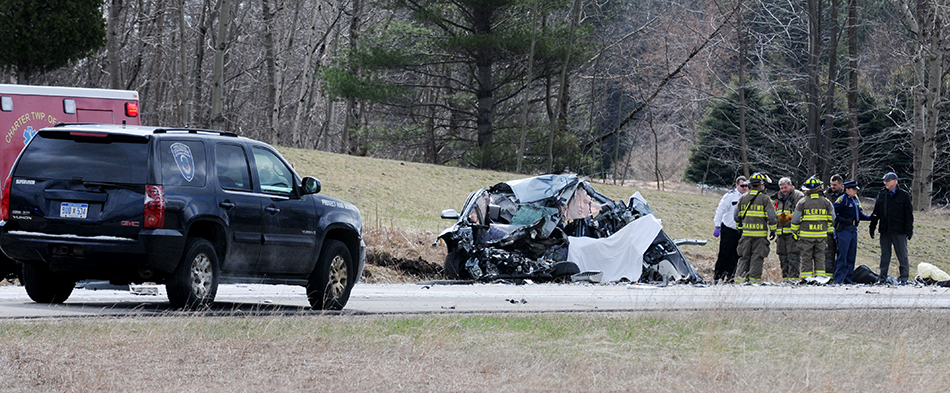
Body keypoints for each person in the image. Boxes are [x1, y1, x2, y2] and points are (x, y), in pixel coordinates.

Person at [869, 172, 914, 285]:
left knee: (902, 255)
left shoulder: (904, 195)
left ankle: (903, 278)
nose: (885, 183)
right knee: (885, 255)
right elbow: (876, 212)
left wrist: (909, 230)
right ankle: (882, 277)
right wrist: (872, 226)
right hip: (885, 230)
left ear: (895, 181)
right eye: (885, 181)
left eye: (888, 181)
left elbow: (909, 214)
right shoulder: (882, 194)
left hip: (899, 230)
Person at [734, 173, 778, 284]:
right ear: (761, 185)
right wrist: (773, 230)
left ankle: (740, 281)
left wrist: (741, 228)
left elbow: (736, 216)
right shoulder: (765, 199)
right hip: (760, 236)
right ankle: (754, 283)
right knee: (757, 258)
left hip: (746, 235)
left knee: (744, 258)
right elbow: (772, 217)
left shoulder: (743, 198)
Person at [790, 176, 835, 282]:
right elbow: (833, 218)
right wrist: (827, 230)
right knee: (820, 257)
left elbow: (795, 220)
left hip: (806, 237)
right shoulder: (826, 202)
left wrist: (795, 233)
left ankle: (806, 278)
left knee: (806, 258)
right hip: (821, 236)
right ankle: (820, 279)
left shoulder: (802, 202)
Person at [833, 180, 871, 284]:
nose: (855, 191)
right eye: (853, 189)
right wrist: (842, 220)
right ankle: (839, 279)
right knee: (842, 255)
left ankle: (848, 279)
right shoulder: (842, 200)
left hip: (853, 229)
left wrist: (871, 218)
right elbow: (834, 213)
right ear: (847, 189)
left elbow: (860, 214)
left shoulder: (855, 200)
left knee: (851, 255)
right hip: (844, 229)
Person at [713, 176, 748, 283]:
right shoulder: (730, 196)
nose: (744, 188)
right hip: (729, 229)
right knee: (725, 254)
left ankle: (730, 277)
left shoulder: (748, 197)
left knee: (736, 256)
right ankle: (718, 276)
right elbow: (720, 210)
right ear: (737, 185)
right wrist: (717, 225)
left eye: (746, 186)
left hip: (741, 230)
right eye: (742, 186)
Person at [772, 177, 805, 282]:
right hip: (780, 233)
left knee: (793, 256)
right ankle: (785, 279)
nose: (783, 190)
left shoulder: (799, 196)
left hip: (793, 233)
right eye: (781, 188)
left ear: (791, 186)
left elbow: (802, 213)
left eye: (785, 188)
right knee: (782, 257)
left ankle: (793, 279)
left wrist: (789, 217)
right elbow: (773, 212)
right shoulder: (777, 197)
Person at [823, 174, 844, 279]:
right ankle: (829, 277)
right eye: (831, 184)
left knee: (842, 254)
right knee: (828, 255)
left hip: (842, 230)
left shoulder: (847, 194)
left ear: (841, 184)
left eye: (835, 185)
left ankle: (840, 277)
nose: (833, 187)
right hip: (828, 230)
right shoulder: (825, 195)